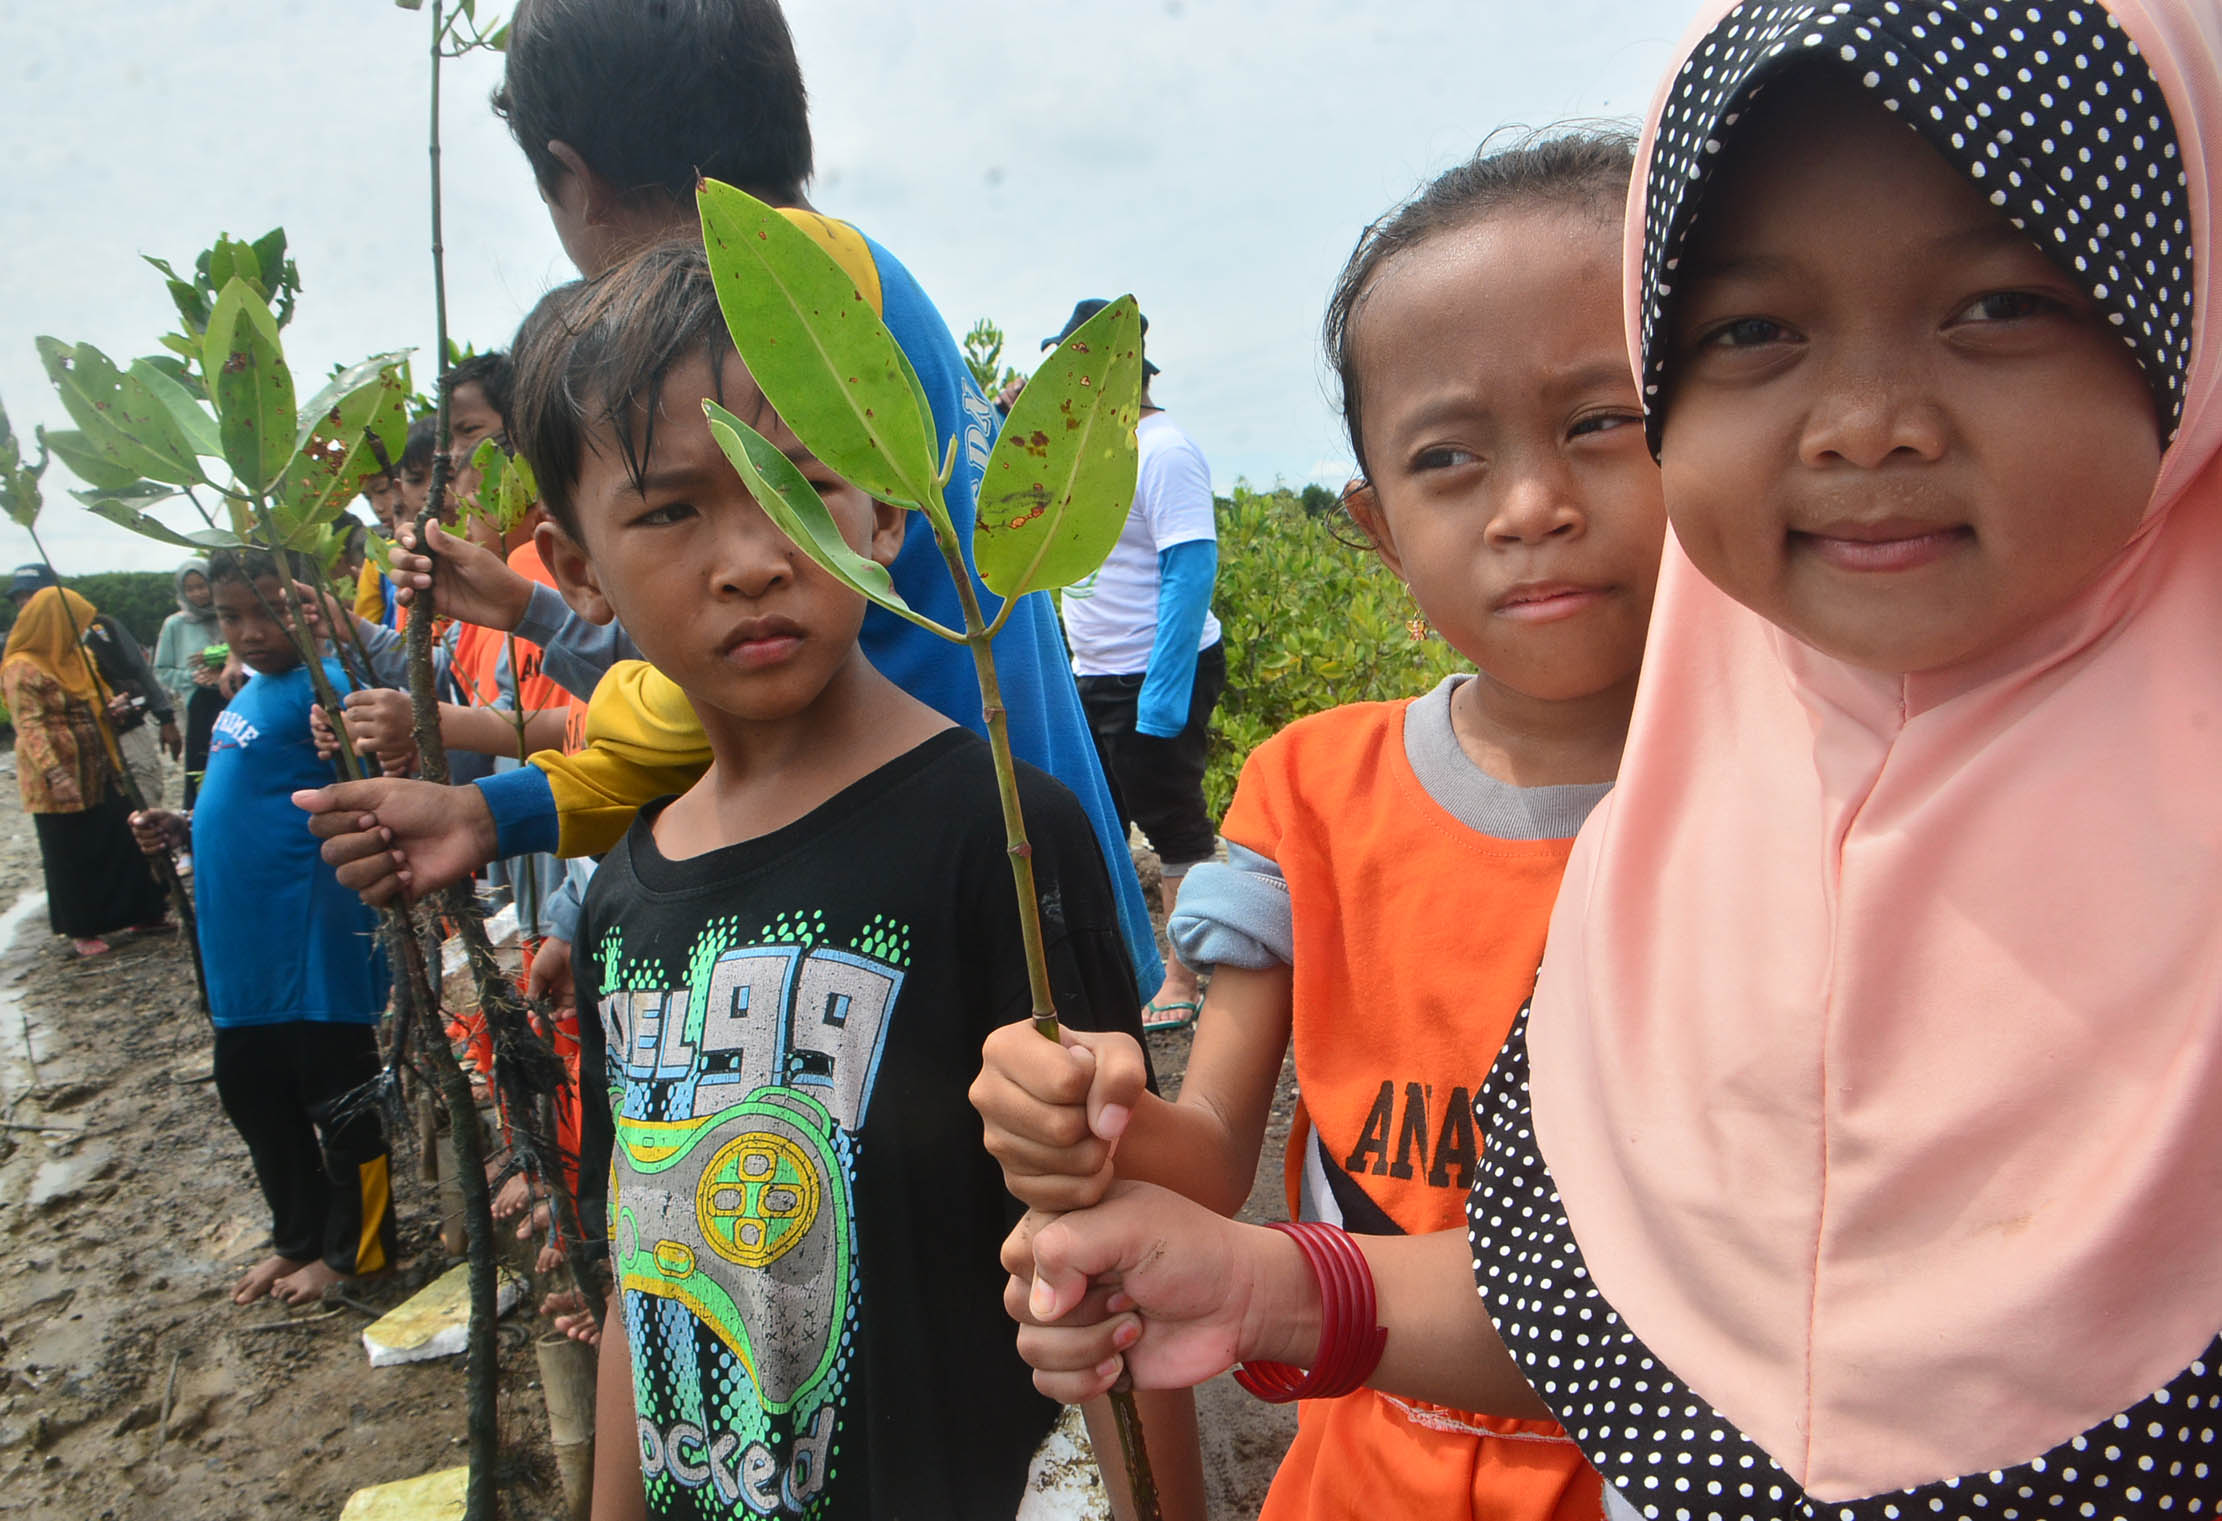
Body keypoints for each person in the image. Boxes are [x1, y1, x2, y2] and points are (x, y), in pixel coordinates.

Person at [1006, 0, 2222, 1512]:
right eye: (1757, 332)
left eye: (1997, 305)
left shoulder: (1931, 821)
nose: (1860, 424)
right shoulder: (1475, 809)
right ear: (1373, 524)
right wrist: (1185, 1202)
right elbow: (1577, 1291)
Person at [975, 132, 1656, 1521]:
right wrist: (1089, 1110)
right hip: (1368, 1471)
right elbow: (1211, 1142)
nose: (1529, 506)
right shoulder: (1310, 795)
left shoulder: (1796, 809)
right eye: (1449, 456)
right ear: (1380, 526)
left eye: (1600, 421)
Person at [293, 0, 1166, 1009]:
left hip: (928, 902)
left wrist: (500, 812)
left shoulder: (769, 310)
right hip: (1012, 860)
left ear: (571, 176)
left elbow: (689, 703)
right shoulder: (850, 271)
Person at [509, 239, 1155, 1520]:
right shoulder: (624, 906)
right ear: (575, 566)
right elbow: (650, 1281)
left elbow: (1126, 1253)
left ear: (885, 512)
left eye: (802, 485)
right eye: (668, 508)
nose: (751, 555)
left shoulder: (1002, 831)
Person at [131, 548, 393, 1308]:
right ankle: (299, 1237)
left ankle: (360, 1250)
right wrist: (181, 826)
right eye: (229, 615)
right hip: (243, 949)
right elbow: (243, 794)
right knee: (253, 1093)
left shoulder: (330, 686)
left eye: (268, 609)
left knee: (341, 1099)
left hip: (308, 943)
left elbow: (366, 775)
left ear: (308, 603)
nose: (247, 630)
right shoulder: (249, 690)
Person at [1047, 300, 1225, 1027]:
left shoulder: (1165, 450)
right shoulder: (1090, 453)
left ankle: (1180, 982)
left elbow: (1191, 572)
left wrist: (1162, 697)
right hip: (1092, 675)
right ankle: (1125, 971)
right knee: (1094, 823)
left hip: (1151, 670)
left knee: (1173, 824)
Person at [2, 586, 168, 956]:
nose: (81, 631)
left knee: (120, 837)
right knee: (73, 852)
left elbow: (96, 701)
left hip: (102, 764)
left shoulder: (82, 658)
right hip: (58, 776)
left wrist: (114, 709)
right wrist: (57, 776)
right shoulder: (22, 666)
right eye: (73, 623)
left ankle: (141, 912)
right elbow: (29, 727)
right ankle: (84, 927)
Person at [155, 558, 228, 811]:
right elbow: (161, 670)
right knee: (200, 764)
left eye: (202, 585)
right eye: (190, 588)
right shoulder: (176, 624)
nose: (198, 593)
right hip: (198, 704)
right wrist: (193, 678)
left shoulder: (228, 614)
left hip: (232, 695)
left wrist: (223, 664)